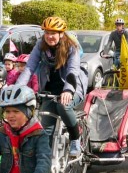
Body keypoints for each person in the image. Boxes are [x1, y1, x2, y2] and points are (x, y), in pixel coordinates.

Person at [17, 16, 87, 156]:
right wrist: (17, 87)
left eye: (53, 33)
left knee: (63, 106)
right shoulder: (40, 45)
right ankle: (45, 165)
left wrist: (68, 90)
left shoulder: (71, 46)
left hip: (72, 86)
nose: (49, 36)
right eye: (47, 32)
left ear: (61, 34)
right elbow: (30, 68)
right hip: (50, 88)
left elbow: (72, 71)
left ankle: (75, 139)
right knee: (45, 126)